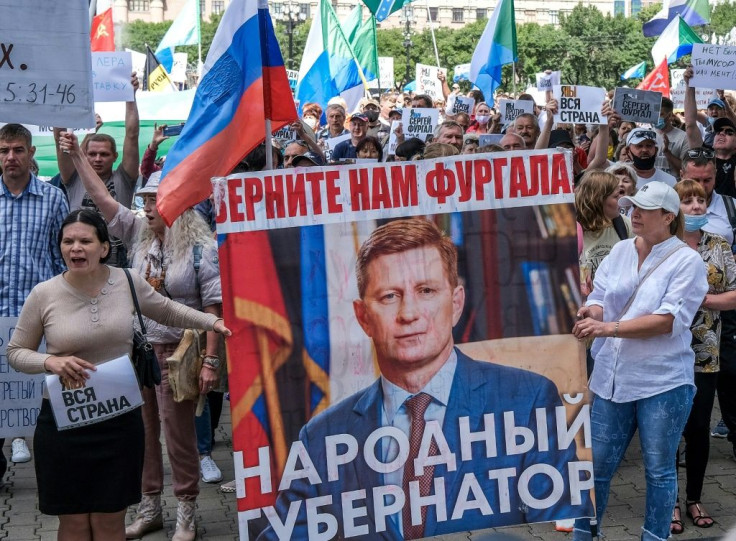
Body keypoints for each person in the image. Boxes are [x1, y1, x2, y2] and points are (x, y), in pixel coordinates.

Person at [258, 219, 591, 540]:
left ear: (456, 303)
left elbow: (564, 525)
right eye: (389, 296)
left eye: (426, 290)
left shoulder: (527, 400)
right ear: (363, 318)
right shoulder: (321, 436)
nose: (408, 314)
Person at [6, 209, 230, 541]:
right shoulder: (44, 294)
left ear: (104, 247)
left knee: (111, 522)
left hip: (118, 424)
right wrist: (49, 363)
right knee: (75, 523)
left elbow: (167, 309)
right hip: (64, 424)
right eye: (68, 241)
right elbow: (16, 352)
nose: (76, 248)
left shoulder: (127, 281)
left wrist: (211, 323)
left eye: (85, 241)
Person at [58, 133, 225, 541]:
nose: (147, 207)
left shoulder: (201, 248)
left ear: (177, 204)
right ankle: (150, 507)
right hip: (138, 351)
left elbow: (213, 308)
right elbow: (102, 199)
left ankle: (186, 510)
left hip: (180, 354)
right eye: (146, 200)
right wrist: (78, 156)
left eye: (154, 200)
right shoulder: (137, 233)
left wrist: (210, 361)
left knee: (179, 437)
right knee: (143, 434)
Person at [572, 181, 709, 541]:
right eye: (632, 206)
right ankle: (584, 536)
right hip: (610, 378)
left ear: (668, 216)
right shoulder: (619, 251)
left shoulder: (687, 261)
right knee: (595, 468)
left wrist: (606, 327)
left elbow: (666, 322)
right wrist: (591, 311)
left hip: (662, 381)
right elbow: (601, 294)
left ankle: (655, 537)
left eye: (644, 209)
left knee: (659, 470)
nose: (634, 213)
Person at [0, 123, 69, 479]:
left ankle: (50, 469)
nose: (10, 157)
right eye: (4, 150)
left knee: (40, 400)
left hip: (36, 319)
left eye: (17, 150)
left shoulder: (53, 198)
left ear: (30, 154)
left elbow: (63, 259)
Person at [669, 180, 736, 534]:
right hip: (664, 351)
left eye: (700, 200)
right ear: (673, 208)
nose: (695, 206)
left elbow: (733, 295)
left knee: (697, 429)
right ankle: (668, 503)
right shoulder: (662, 247)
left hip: (705, 352)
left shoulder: (719, 246)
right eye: (687, 200)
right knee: (667, 430)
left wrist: (704, 299)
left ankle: (693, 498)